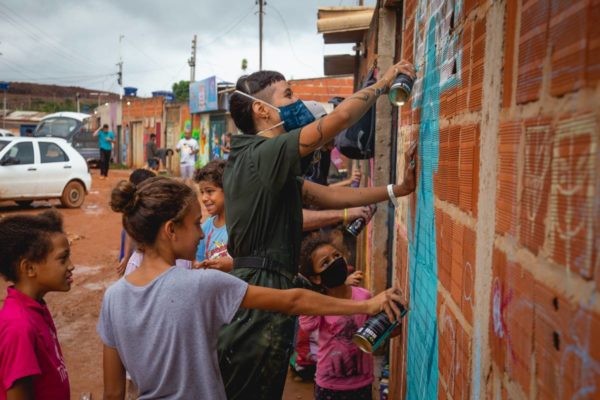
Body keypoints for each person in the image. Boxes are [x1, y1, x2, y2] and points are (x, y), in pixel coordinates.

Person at [99, 177, 403, 400]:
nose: (200, 235)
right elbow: (293, 301)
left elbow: (113, 393)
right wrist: (366, 305)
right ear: (170, 230)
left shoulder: (113, 298)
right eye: (194, 224)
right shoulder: (201, 284)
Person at [219, 60, 417, 399]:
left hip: (259, 289)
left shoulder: (259, 159)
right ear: (261, 109)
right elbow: (338, 120)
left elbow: (326, 195)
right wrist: (384, 83)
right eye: (288, 94)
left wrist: (395, 191)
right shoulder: (266, 152)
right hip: (260, 294)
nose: (297, 102)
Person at [299, 235, 400, 400]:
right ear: (316, 278)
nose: (334, 262)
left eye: (337, 256)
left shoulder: (365, 296)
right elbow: (307, 325)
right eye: (325, 263)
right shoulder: (319, 304)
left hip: (362, 383)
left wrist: (393, 327)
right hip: (329, 385)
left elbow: (373, 333)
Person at [0, 210, 74, 399]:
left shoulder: (36, 308)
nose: (71, 266)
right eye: (62, 258)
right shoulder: (19, 327)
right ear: (29, 268)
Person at [193, 160, 233, 272]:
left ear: (228, 189)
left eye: (209, 191)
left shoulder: (241, 225)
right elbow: (199, 263)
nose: (204, 198)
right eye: (202, 192)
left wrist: (234, 264)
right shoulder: (206, 228)